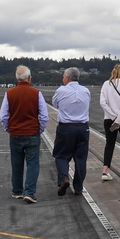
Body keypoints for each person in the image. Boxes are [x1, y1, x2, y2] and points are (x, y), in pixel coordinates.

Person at [0, 65, 49, 203]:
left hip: (15, 133)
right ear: (29, 78)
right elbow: (44, 116)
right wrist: (40, 129)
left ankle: (17, 191)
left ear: (16, 78)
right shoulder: (36, 93)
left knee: (16, 163)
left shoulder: (9, 93)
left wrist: (8, 128)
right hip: (32, 132)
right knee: (33, 164)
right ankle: (29, 192)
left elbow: (3, 115)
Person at [52, 67, 91, 196]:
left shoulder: (61, 90)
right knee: (80, 158)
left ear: (67, 78)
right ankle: (78, 187)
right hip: (82, 127)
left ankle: (64, 178)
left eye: (63, 77)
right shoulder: (86, 91)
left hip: (66, 127)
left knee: (61, 155)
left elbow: (55, 104)